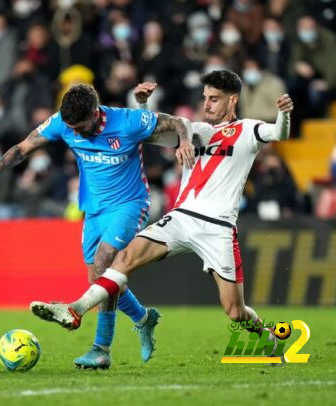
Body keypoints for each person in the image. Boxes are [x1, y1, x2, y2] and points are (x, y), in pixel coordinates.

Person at [29, 71, 294, 356]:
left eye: (214, 99)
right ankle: (76, 308)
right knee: (124, 259)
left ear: (233, 100)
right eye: (205, 98)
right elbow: (149, 133)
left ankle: (267, 337)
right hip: (179, 219)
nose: (207, 105)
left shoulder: (248, 130)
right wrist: (143, 105)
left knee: (234, 310)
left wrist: (284, 115)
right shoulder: (194, 131)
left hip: (218, 228)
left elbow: (279, 133)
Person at [0, 83, 195, 369]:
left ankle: (100, 348)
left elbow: (178, 122)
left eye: (80, 126)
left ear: (95, 113)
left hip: (129, 204)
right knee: (97, 280)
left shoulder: (126, 121)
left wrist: (185, 141)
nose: (74, 133)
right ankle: (143, 318)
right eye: (71, 127)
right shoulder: (62, 123)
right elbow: (23, 147)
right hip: (92, 208)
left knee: (103, 266)